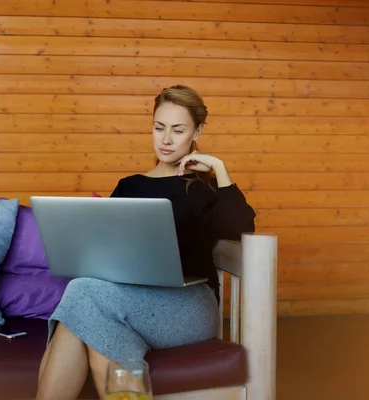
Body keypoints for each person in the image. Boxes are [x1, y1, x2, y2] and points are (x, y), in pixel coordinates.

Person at [35, 85, 256, 400]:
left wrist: (218, 167)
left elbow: (241, 226)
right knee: (85, 302)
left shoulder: (203, 189)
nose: (166, 139)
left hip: (189, 304)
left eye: (178, 130)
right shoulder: (128, 186)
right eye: (159, 128)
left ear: (197, 131)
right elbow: (101, 253)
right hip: (126, 302)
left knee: (82, 296)